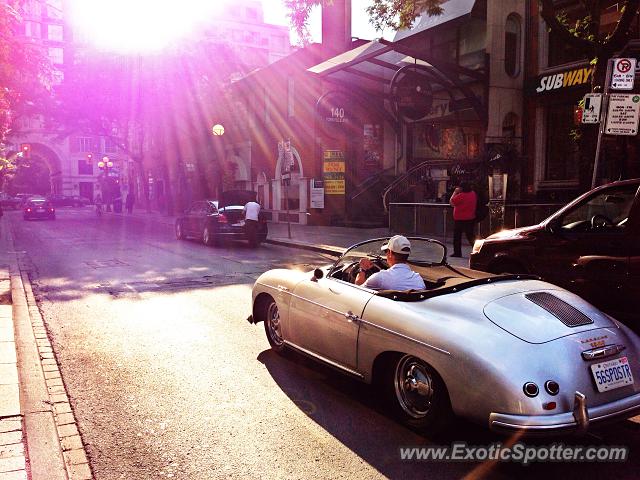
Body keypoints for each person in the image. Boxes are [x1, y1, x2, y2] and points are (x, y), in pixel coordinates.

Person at [355, 235, 426, 291]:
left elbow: (358, 290)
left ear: (390, 253)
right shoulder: (418, 280)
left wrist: (362, 269)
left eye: (386, 251)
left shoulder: (380, 277)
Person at [449, 182, 477, 257]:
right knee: (470, 236)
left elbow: (451, 202)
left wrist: (455, 192)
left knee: (457, 237)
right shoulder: (473, 193)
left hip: (460, 219)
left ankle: (457, 252)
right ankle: (477, 250)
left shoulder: (461, 195)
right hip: (470, 218)